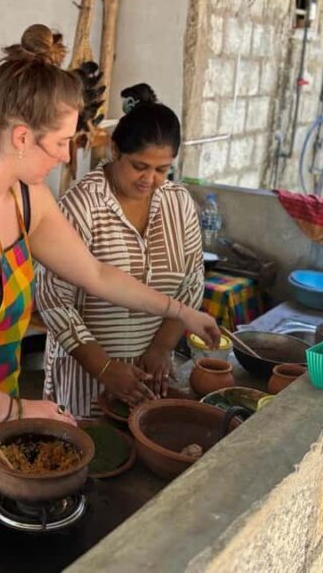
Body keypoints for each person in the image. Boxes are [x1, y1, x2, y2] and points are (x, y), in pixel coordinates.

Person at [0, 26, 220, 528]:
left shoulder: (27, 197)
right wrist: (15, 410)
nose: (66, 156)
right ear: (21, 136)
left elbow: (95, 273)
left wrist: (180, 310)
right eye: (60, 143)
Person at [37, 83, 208, 418]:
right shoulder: (81, 204)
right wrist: (105, 369)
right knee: (91, 453)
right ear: (116, 150)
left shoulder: (179, 203)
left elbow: (192, 282)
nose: (151, 179)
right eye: (140, 166)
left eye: (162, 169)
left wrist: (161, 348)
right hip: (88, 376)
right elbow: (54, 300)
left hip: (151, 375)